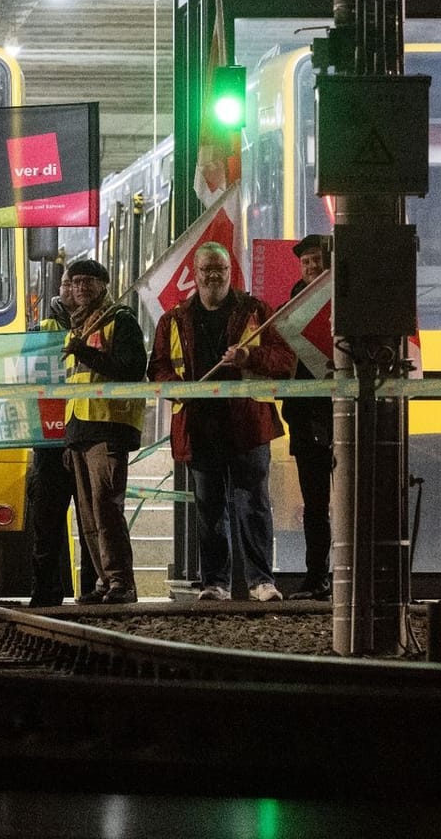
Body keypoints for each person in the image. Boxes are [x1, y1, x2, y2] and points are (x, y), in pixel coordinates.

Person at [149, 242, 296, 602]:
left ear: (231, 272)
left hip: (248, 424)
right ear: (194, 275)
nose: (214, 276)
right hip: (200, 428)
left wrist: (250, 354)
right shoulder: (173, 319)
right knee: (209, 508)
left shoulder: (255, 311)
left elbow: (285, 360)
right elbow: (158, 367)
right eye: (206, 270)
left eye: (221, 270)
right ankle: (214, 583)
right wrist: (177, 389)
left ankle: (262, 581)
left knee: (254, 505)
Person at [59, 258, 147, 605]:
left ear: (103, 284)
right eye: (75, 281)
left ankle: (121, 582)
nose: (80, 287)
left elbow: (130, 369)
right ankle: (103, 580)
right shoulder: (77, 327)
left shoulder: (119, 321)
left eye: (88, 282)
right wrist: (70, 437)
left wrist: (86, 353)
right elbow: (73, 385)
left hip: (108, 427)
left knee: (106, 508)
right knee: (88, 515)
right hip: (81, 429)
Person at [26, 271, 92, 606]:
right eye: (68, 283)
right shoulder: (41, 330)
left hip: (88, 434)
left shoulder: (101, 325)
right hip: (50, 440)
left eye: (79, 283)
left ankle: (93, 591)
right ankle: (45, 592)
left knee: (92, 522)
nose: (72, 289)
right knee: (46, 523)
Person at [280, 233, 334, 600]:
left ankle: (349, 573)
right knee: (315, 505)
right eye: (307, 261)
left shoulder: (347, 299)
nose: (312, 266)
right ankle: (317, 577)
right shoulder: (291, 308)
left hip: (342, 413)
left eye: (318, 260)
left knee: (356, 500)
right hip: (304, 416)